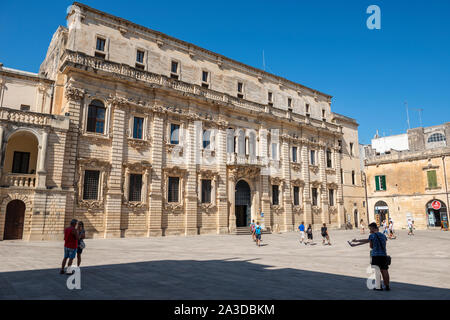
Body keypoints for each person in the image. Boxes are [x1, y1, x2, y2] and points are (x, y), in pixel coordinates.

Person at [348, 222, 390, 291]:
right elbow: (382, 244)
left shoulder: (372, 236)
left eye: (370, 229)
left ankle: (379, 286)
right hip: (383, 255)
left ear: (373, 228)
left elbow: (371, 246)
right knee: (385, 271)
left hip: (375, 256)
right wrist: (356, 242)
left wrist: (356, 242)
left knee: (377, 271)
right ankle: (387, 285)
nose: (369, 230)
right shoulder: (383, 235)